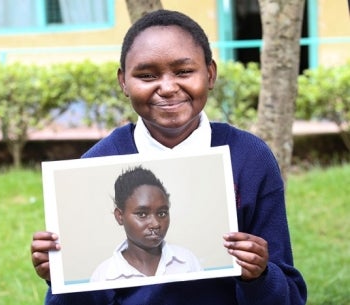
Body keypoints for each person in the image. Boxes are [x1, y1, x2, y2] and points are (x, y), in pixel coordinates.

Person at [30, 9, 307, 304]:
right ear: (123, 82)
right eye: (147, 75)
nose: (167, 87)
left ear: (210, 74)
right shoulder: (94, 168)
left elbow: (289, 295)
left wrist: (260, 275)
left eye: (184, 72)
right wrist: (59, 276)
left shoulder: (250, 158)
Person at [90, 166, 202, 282]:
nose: (155, 224)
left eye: (162, 213)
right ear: (119, 216)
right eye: (142, 214)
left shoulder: (187, 262)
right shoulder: (103, 277)